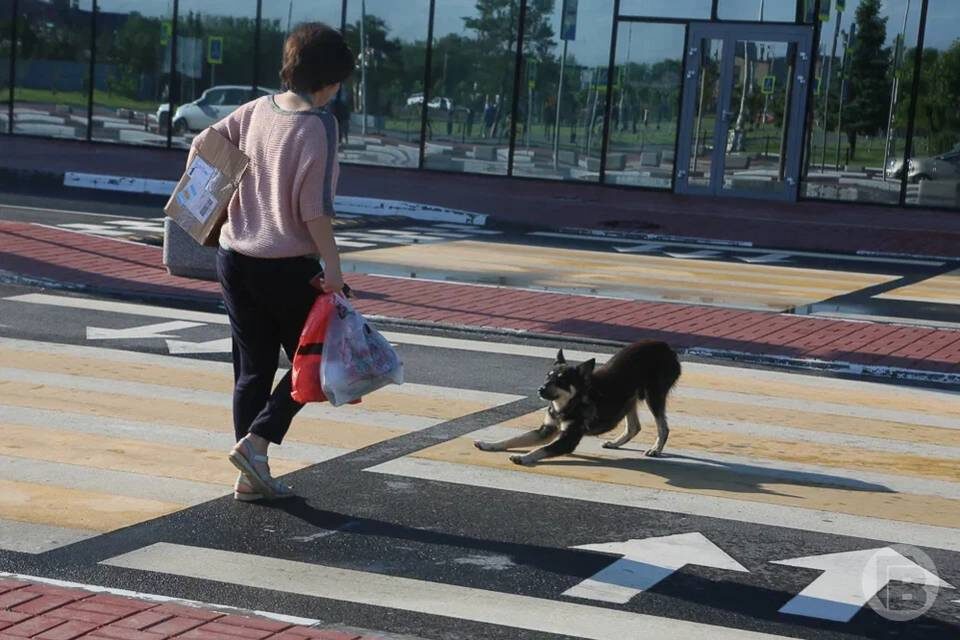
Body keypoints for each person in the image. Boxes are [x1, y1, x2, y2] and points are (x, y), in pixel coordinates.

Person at [184, 22, 354, 502]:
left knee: (253, 369)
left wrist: (221, 198)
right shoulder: (320, 125)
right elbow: (314, 210)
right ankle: (256, 444)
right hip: (286, 263)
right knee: (315, 364)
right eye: (339, 80)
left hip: (235, 258)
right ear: (329, 78)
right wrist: (335, 270)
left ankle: (248, 476)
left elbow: (203, 145)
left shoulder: (257, 109)